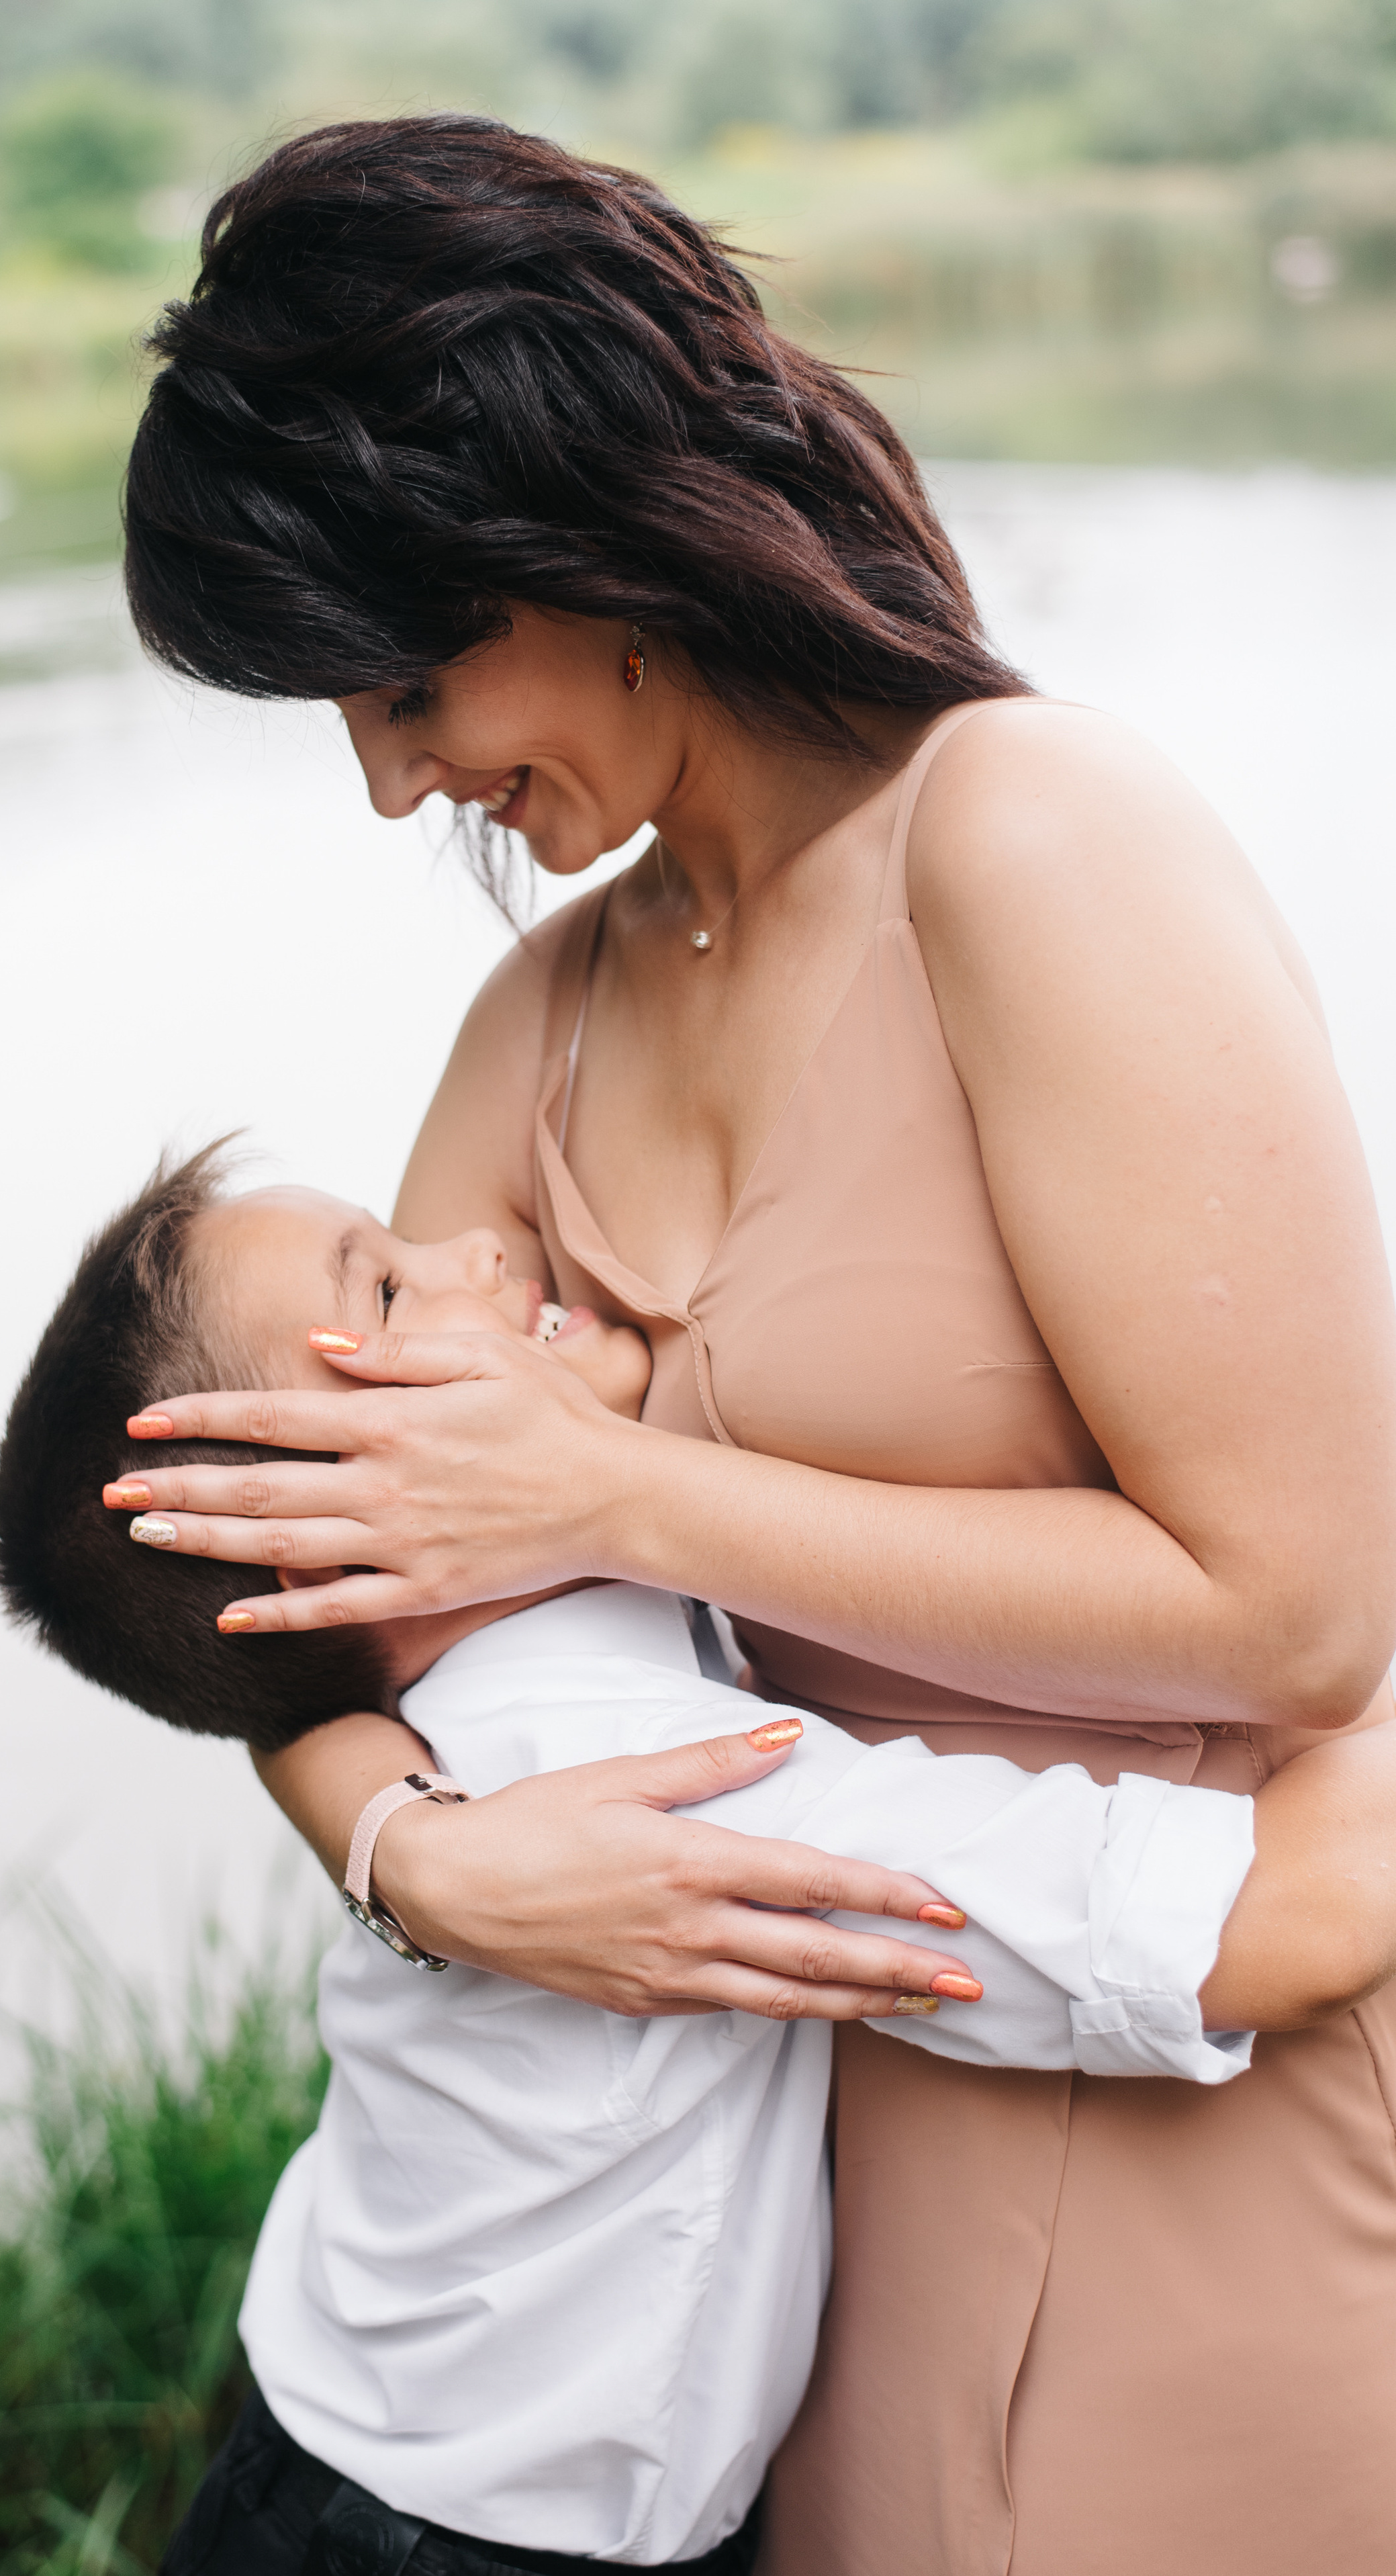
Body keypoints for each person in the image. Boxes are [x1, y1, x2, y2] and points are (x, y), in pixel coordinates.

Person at [116, 118, 1396, 2573]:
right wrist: (421, 1865)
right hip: (771, 2204)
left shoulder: (1026, 836)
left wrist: (620, 1495)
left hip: (1194, 2062)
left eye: (405, 681)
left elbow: (1304, 1609)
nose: (390, 782)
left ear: (597, 551)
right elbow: (299, 1595)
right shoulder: (540, 1021)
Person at [0, 1148, 1327, 2573]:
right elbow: (1279, 1928)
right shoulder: (629, 1769)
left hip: (348, 2467)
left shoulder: (484, 1687)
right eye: (382, 1289)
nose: (479, 1252)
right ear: (315, 1547)